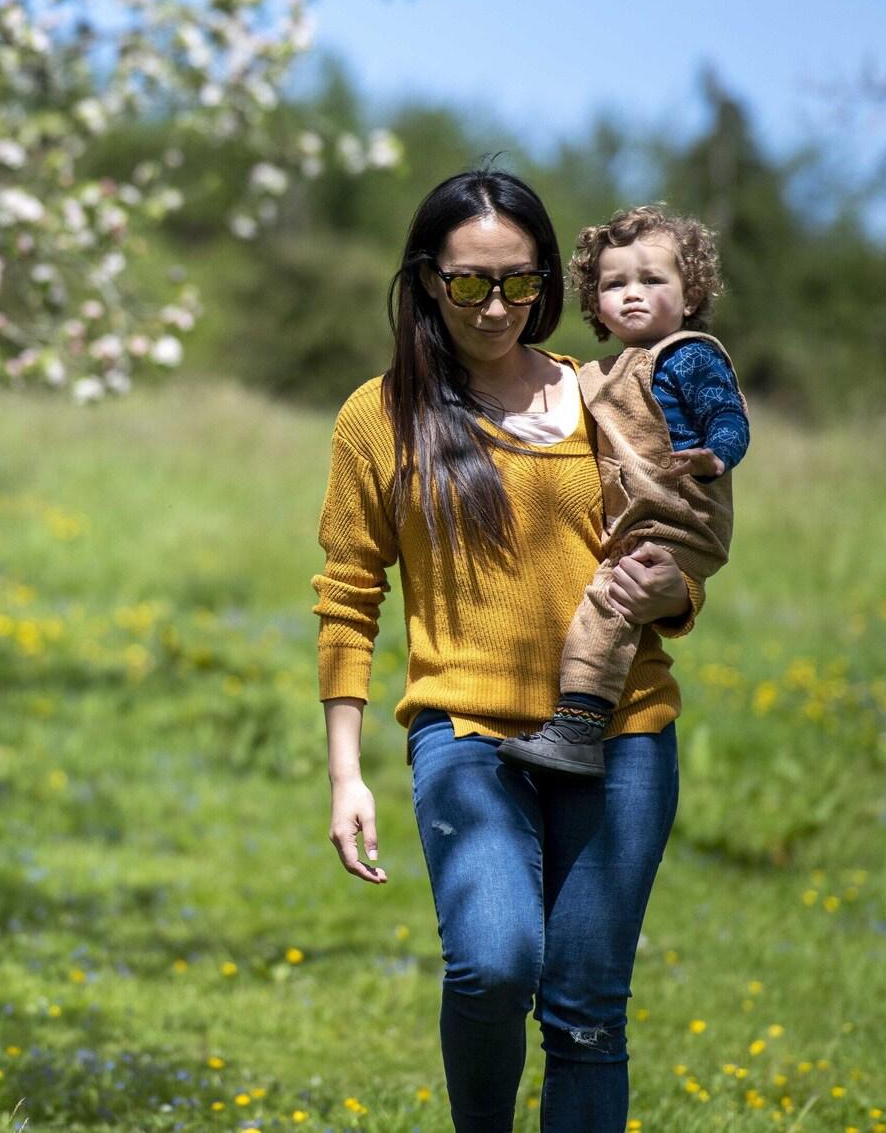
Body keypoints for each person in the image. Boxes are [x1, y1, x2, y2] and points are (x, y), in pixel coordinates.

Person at [311, 167, 701, 1132]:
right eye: (470, 282)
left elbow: (675, 534)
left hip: (620, 734)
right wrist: (346, 773)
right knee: (493, 964)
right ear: (426, 279)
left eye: (521, 282)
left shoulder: (606, 395)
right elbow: (349, 597)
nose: (496, 307)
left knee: (586, 1014)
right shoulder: (378, 417)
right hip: (467, 736)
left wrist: (678, 592)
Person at [498, 204, 750, 779]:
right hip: (644, 519)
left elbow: (728, 415)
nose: (633, 294)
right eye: (615, 284)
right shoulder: (602, 371)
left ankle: (580, 726)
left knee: (609, 605)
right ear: (595, 302)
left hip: (680, 517)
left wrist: (716, 455)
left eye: (652, 279)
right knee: (616, 598)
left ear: (690, 295)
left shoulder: (690, 355)